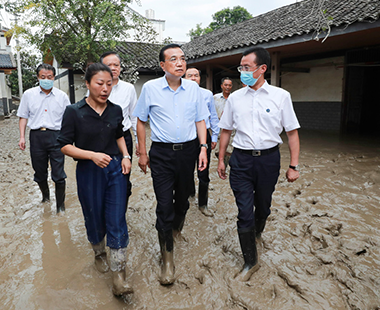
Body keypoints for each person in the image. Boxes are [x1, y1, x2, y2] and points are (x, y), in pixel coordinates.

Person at [217, 47, 300, 282]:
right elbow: (225, 130)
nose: (242, 71)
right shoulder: (234, 98)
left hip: (269, 159)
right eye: (240, 67)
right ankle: (250, 262)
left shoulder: (280, 96)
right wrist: (222, 158)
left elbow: (292, 133)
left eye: (246, 67)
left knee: (263, 207)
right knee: (244, 212)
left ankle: (258, 233)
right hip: (240, 159)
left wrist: (294, 166)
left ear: (262, 69)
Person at [133, 44, 209, 285]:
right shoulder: (150, 88)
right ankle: (167, 259)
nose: (180, 63)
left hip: (189, 152)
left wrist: (204, 148)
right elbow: (141, 122)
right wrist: (142, 153)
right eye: (173, 59)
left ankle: (175, 230)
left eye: (183, 59)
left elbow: (200, 120)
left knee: (184, 200)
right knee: (164, 204)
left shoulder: (194, 89)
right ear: (162, 65)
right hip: (162, 154)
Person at [57, 63, 133, 296]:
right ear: (88, 84)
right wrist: (91, 155)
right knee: (93, 216)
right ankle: (99, 253)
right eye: (100, 84)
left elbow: (119, 134)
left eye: (109, 84)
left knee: (117, 218)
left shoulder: (116, 109)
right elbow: (64, 146)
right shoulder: (74, 111)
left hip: (115, 169)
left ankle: (118, 275)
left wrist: (126, 156)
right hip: (89, 171)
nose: (105, 89)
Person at [17, 63, 70, 214]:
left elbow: (69, 119)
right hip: (36, 137)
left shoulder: (62, 96)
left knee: (59, 174)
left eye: (49, 77)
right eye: (43, 77)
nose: (46, 79)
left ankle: (60, 206)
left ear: (54, 77)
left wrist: (69, 138)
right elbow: (23, 117)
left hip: (56, 137)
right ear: (38, 77)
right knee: (39, 172)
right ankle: (45, 198)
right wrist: (22, 137)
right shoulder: (29, 95)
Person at [99, 51, 138, 208]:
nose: (113, 68)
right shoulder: (95, 88)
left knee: (124, 175)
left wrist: (138, 143)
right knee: (102, 177)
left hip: (124, 138)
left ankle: (120, 213)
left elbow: (134, 116)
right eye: (109, 65)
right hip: (101, 140)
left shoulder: (128, 88)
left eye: (117, 65)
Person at [185, 67, 219, 217]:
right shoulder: (180, 94)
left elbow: (213, 116)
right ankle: (189, 194)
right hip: (187, 135)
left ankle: (203, 204)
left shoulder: (207, 94)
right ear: (184, 77)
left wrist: (215, 136)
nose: (193, 78)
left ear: (200, 78)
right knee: (186, 169)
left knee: (203, 171)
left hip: (204, 135)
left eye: (196, 75)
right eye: (190, 75)